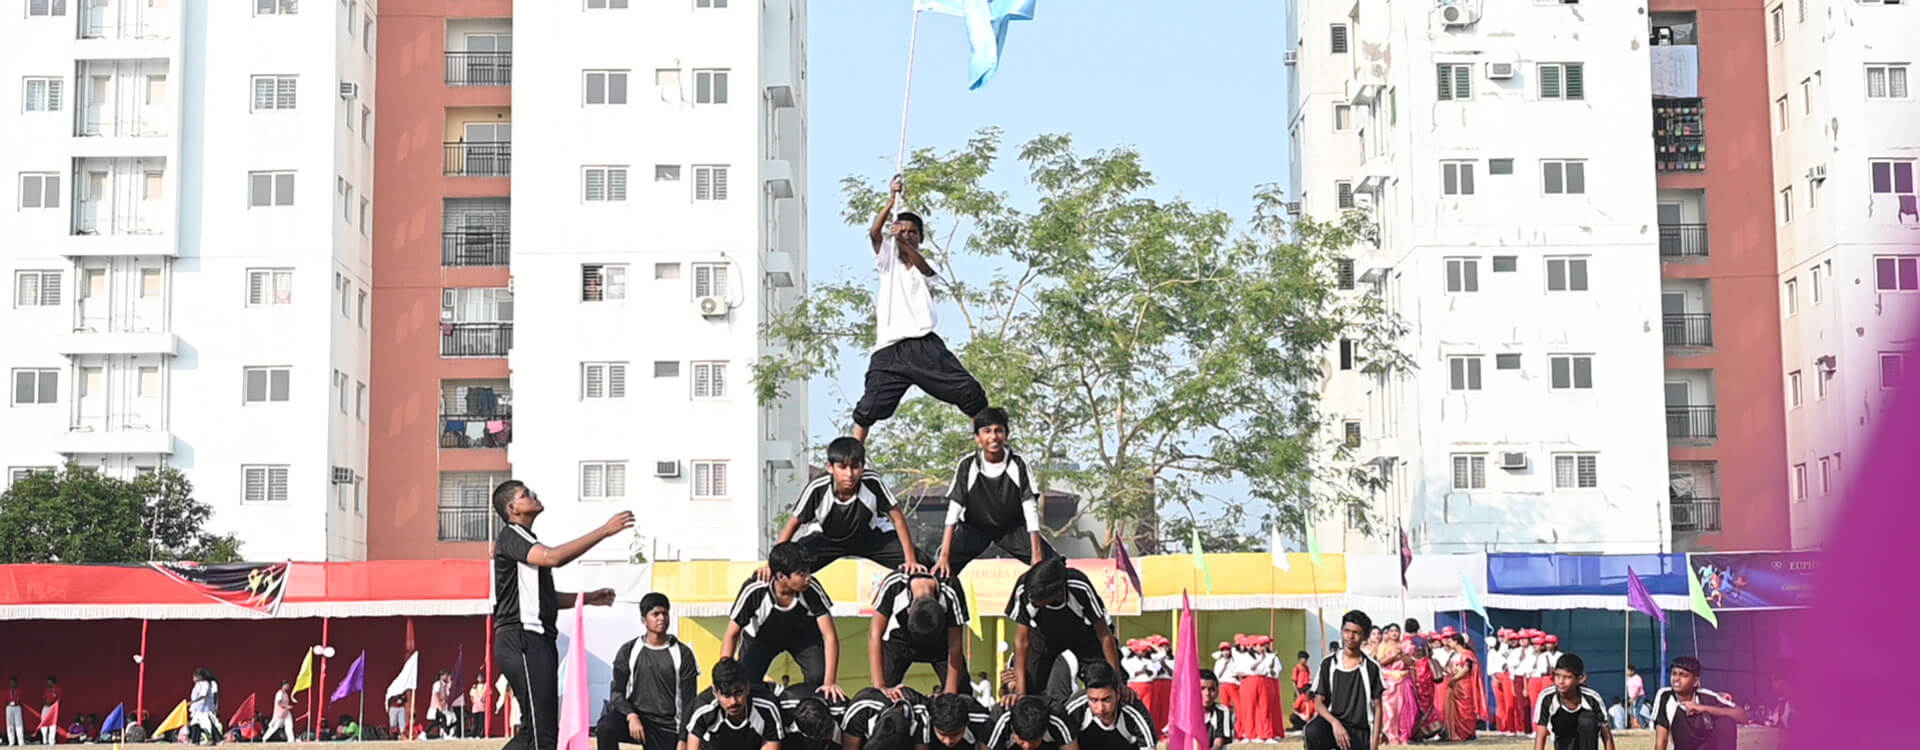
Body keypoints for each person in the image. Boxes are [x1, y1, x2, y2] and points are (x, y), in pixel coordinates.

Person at [491, 480, 631, 750]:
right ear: (513, 508)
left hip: (536, 640)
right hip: (521, 639)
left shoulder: (527, 542)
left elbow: (546, 599)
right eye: (526, 494)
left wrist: (587, 598)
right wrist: (604, 530)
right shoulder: (512, 535)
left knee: (537, 731)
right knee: (541, 735)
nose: (534, 495)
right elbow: (553, 557)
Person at [851, 175, 989, 444]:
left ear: (920, 238)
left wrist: (901, 240)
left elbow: (923, 266)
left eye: (912, 232)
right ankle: (854, 452)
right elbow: (874, 233)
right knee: (868, 408)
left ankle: (986, 443)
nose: (906, 235)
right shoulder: (886, 260)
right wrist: (891, 201)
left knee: (970, 391)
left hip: (924, 346)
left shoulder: (925, 263)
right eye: (902, 231)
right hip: (890, 349)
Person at [770, 438, 925, 575]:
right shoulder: (818, 488)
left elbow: (897, 518)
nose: (850, 474)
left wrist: (910, 560)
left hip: (870, 539)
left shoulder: (872, 482)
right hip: (827, 540)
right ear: (830, 467)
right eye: (842, 467)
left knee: (922, 563)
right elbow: (793, 524)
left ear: (863, 467)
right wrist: (773, 565)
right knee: (788, 565)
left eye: (855, 467)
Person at [933, 409, 1056, 577]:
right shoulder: (967, 465)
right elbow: (953, 512)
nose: (993, 437)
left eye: (999, 430)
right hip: (974, 529)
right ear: (977, 438)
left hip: (1012, 529)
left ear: (1006, 435)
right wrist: (944, 556)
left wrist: (1037, 555)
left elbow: (1030, 508)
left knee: (1054, 566)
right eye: (987, 431)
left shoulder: (1018, 464)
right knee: (938, 570)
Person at [723, 543, 844, 695]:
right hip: (761, 639)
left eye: (808, 571)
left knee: (818, 676)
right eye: (801, 573)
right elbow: (731, 634)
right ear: (781, 576)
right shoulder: (755, 590)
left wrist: (830, 683)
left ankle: (811, 709)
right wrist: (724, 678)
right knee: (746, 682)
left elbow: (830, 635)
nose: (808, 578)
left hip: (802, 637)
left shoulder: (811, 589)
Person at [1004, 557, 1122, 705]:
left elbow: (1104, 635)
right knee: (1030, 685)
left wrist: (1117, 683)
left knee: (1105, 680)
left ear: (1057, 594)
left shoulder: (1079, 586)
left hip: (1083, 636)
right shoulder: (1024, 590)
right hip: (1043, 637)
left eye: (1037, 601)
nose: (1032, 602)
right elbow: (1022, 641)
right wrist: (1021, 692)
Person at [597, 593, 701, 750]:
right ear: (644, 620)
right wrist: (631, 715)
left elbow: (689, 701)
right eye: (656, 614)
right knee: (606, 727)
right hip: (635, 718)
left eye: (665, 613)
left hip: (667, 726)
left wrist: (683, 739)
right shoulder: (629, 650)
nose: (661, 618)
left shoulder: (683, 653)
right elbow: (617, 693)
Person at [870, 567, 972, 697]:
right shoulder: (895, 584)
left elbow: (955, 646)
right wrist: (880, 687)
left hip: (940, 645)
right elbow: (875, 635)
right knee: (879, 694)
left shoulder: (950, 589)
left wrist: (950, 693)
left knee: (962, 694)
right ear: (909, 608)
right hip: (902, 642)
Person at [1304, 611, 1383, 750]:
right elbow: (1318, 702)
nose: (1350, 637)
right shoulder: (1328, 664)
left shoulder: (1372, 667)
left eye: (1356, 633)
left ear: (1364, 636)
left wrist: (1375, 744)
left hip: (1359, 731)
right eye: (1347, 631)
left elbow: (1378, 708)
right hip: (1333, 724)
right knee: (1312, 731)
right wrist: (1335, 723)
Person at [685, 659, 784, 750]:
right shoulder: (704, 709)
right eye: (726, 695)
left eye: (738, 693)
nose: (733, 702)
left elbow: (772, 745)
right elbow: (691, 743)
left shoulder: (767, 708)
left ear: (747, 688)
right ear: (715, 692)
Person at [1651, 657, 1747, 750]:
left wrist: (1703, 708)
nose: (1676, 679)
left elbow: (1743, 716)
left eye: (1683, 675)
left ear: (1696, 682)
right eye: (1674, 674)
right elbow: (1661, 740)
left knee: (1725, 722)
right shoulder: (1665, 696)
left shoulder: (1706, 697)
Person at [1061, 663, 1155, 750]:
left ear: (1118, 694)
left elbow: (1149, 746)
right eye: (1094, 700)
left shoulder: (1134, 713)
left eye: (1106, 700)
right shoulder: (1074, 709)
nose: (1101, 708)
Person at [1532, 653, 1612, 750]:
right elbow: (1541, 734)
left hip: (1587, 742)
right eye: (1558, 675)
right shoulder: (1547, 697)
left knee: (1587, 720)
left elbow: (1606, 734)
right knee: (1561, 718)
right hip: (1563, 742)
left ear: (1581, 679)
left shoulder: (1592, 698)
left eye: (1567, 677)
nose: (1561, 681)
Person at [984, 697, 1075, 750]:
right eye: (1022, 740)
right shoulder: (1000, 717)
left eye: (1033, 741)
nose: (1027, 746)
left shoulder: (1057, 718)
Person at [1375, 625, 1415, 744]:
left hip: (1404, 682)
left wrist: (1402, 654)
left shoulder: (1406, 645)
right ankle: (1391, 737)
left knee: (1405, 710)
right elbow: (1380, 662)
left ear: (1400, 632)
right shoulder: (1383, 646)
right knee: (1390, 711)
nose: (1394, 633)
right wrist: (1393, 655)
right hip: (1389, 682)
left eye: (1396, 631)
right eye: (1391, 631)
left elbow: (1411, 663)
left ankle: (1404, 736)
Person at [1442, 634, 1484, 741]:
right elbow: (1451, 669)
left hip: (1464, 685)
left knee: (1465, 709)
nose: (1448, 643)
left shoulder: (1467, 654)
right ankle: (1455, 733)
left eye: (1450, 641)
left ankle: (1467, 733)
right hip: (1454, 684)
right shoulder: (1454, 655)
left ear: (1456, 641)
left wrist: (1455, 678)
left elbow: (1466, 669)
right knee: (1454, 710)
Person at [925, 692, 993, 750]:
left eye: (955, 734)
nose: (948, 741)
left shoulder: (981, 722)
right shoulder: (923, 721)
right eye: (942, 734)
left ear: (966, 724)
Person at [1199, 670, 1235, 750]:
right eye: (1202, 689)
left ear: (1217, 691)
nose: (1207, 693)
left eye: (1212, 689)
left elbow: (1218, 745)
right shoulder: (1185, 712)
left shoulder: (1222, 711)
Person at [188, 669, 221, 746]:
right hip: (198, 708)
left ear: (200, 677)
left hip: (205, 708)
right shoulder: (198, 685)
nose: (193, 678)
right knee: (196, 724)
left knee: (208, 724)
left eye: (195, 676)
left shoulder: (206, 684)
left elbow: (203, 695)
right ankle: (195, 741)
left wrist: (193, 702)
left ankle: (219, 739)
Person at [426, 670, 458, 737]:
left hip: (443, 707)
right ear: (441, 676)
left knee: (436, 721)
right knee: (443, 719)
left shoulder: (445, 685)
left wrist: (450, 683)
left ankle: (425, 733)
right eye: (445, 675)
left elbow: (448, 695)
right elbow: (435, 695)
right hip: (437, 706)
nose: (446, 677)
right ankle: (447, 734)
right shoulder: (437, 684)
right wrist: (439, 706)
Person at [1289, 650, 1314, 731]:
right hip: (1300, 689)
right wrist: (1297, 692)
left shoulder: (1306, 668)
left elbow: (1309, 678)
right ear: (1300, 659)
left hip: (1306, 688)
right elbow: (1294, 681)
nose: (1305, 661)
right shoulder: (1297, 668)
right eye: (1304, 659)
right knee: (1298, 706)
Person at [1624, 666, 1647, 730]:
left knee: (1636, 712)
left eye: (1628, 671)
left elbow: (1638, 688)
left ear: (1632, 671)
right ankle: (1634, 725)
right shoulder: (1629, 679)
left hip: (1639, 696)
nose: (1627, 672)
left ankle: (1644, 725)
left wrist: (1634, 697)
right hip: (1632, 697)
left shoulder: (1637, 678)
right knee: (1631, 712)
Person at [40, 677, 59, 746]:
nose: (48, 683)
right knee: (43, 723)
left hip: (53, 708)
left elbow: (59, 699)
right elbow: (43, 698)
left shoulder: (57, 689)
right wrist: (45, 703)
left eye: (49, 682)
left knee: (52, 724)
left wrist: (53, 704)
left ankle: (51, 741)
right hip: (46, 707)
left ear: (53, 682)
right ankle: (45, 740)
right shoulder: (47, 690)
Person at [8, 677, 26, 747]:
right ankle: (11, 741)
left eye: (13, 682)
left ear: (16, 683)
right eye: (11, 682)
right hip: (9, 707)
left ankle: (21, 742)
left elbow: (21, 700)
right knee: (10, 725)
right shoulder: (7, 691)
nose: (12, 684)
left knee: (19, 724)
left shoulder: (19, 691)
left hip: (17, 707)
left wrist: (17, 703)